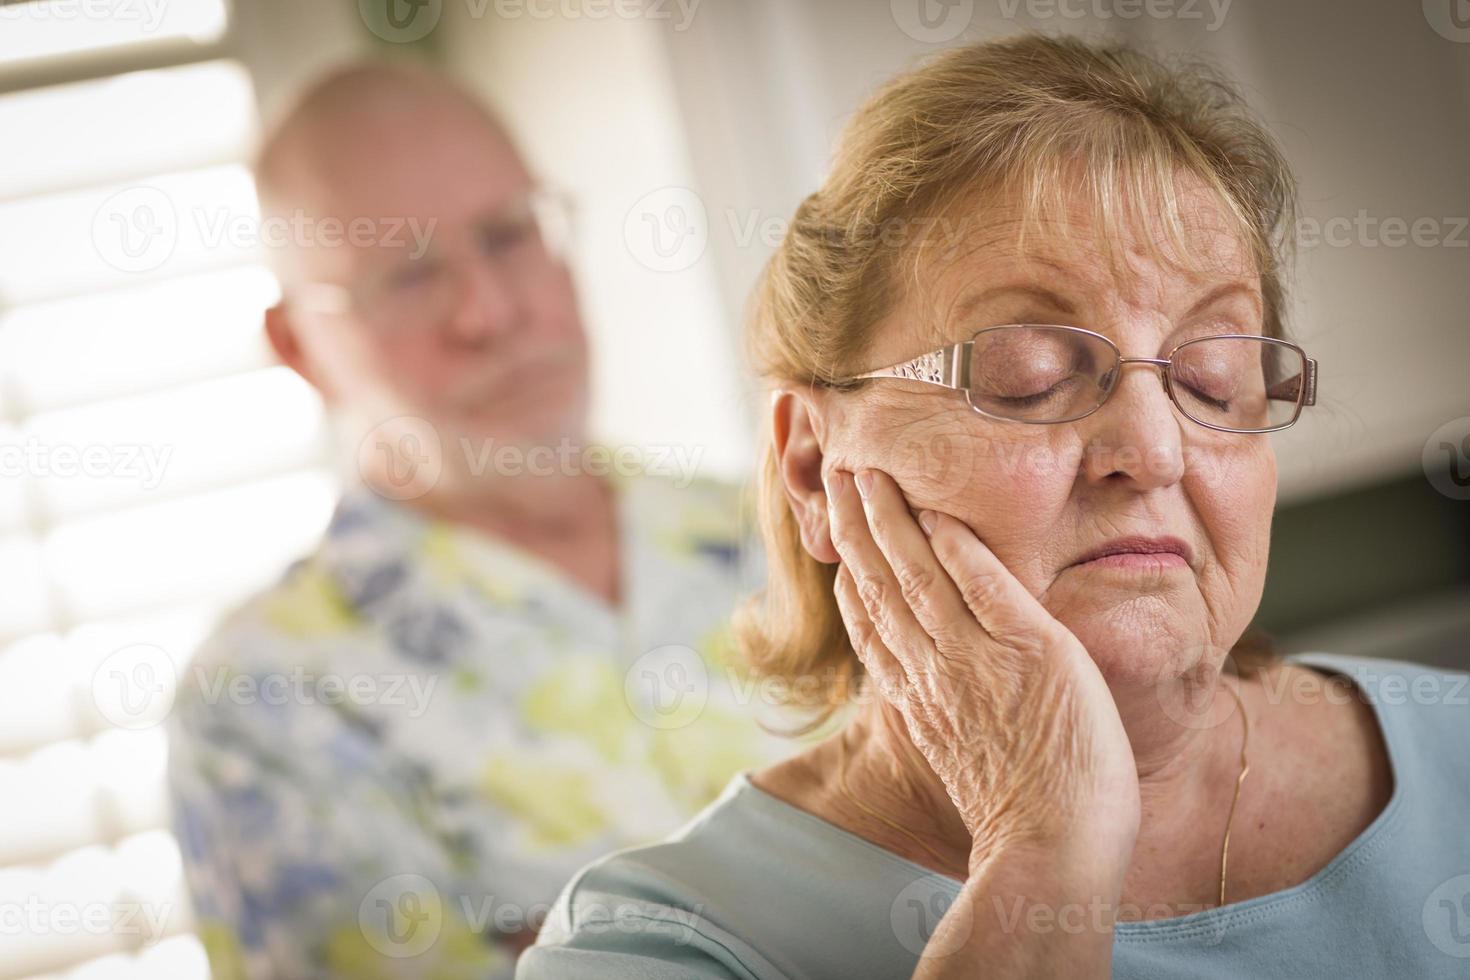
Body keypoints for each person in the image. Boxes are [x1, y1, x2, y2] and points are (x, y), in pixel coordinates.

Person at [517, 33, 1470, 979]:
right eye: (1029, 377)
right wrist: (1044, 846)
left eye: (1212, 380)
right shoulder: (657, 943)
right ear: (814, 468)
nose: (1153, 449)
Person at [166, 62, 789, 980]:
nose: (490, 313)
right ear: (300, 346)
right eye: (409, 276)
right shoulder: (266, 701)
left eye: (508, 235)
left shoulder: (802, 526)